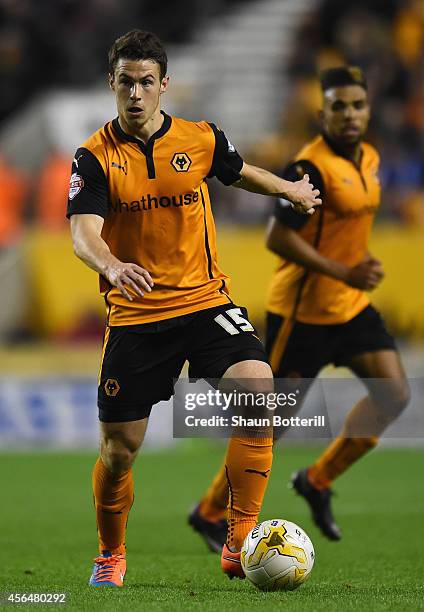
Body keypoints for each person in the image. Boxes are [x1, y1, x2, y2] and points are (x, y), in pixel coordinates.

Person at [67, 29, 321, 587]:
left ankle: (240, 540)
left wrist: (289, 189)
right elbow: (84, 235)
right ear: (112, 84)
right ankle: (111, 553)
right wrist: (110, 266)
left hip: (206, 302)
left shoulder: (200, 138)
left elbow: (238, 170)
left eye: (146, 83)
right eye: (126, 83)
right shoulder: (94, 157)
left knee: (259, 386)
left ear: (164, 85)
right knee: (118, 453)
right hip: (137, 316)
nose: (136, 94)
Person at [192, 66, 410, 547]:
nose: (349, 114)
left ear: (368, 110)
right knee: (269, 425)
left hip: (349, 305)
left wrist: (354, 264)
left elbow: (342, 229)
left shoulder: (371, 158)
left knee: (394, 394)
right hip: (302, 313)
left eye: (357, 105)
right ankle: (209, 512)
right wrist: (343, 269)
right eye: (338, 106)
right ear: (322, 112)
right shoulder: (307, 168)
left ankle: (318, 480)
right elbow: (277, 238)